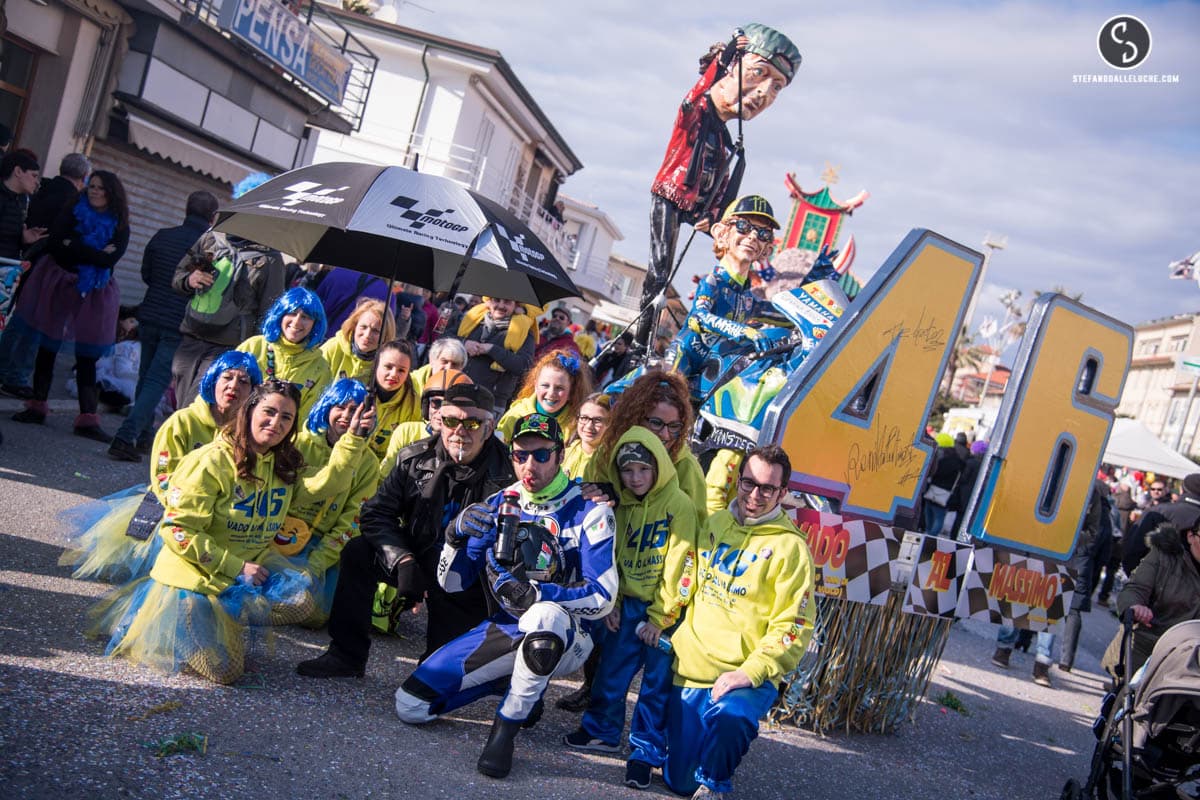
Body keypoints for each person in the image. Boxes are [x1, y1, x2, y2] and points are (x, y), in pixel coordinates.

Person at [87, 379, 372, 684]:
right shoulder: (210, 461)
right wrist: (235, 567)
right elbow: (177, 530)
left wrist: (353, 439)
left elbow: (327, 484)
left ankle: (223, 622)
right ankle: (181, 627)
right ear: (249, 410)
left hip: (237, 577)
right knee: (226, 673)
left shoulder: (280, 464)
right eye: (269, 412)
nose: (276, 423)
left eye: (286, 417)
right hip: (196, 581)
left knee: (301, 602)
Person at [392, 413, 618, 780]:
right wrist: (454, 536)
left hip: (571, 636)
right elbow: (452, 584)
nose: (530, 465)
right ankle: (506, 681)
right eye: (520, 455)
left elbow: (603, 596)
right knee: (411, 705)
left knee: (544, 617)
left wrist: (538, 592)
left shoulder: (590, 509)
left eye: (542, 455)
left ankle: (505, 727)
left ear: (560, 455)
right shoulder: (500, 502)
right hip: (508, 628)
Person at [297, 383, 514, 675]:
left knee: (432, 682)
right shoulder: (415, 458)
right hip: (419, 553)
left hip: (468, 575)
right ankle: (346, 655)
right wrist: (401, 559)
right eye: (450, 421)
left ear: (489, 428)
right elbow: (375, 513)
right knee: (358, 552)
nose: (459, 431)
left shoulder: (509, 472)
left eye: (472, 423)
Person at [647, 445, 815, 798]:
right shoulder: (717, 522)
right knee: (679, 781)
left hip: (743, 675)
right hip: (692, 667)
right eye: (748, 483)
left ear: (783, 493)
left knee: (731, 719)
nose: (755, 495)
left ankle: (715, 783)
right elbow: (687, 579)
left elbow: (794, 627)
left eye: (767, 488)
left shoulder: (792, 550)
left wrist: (749, 673)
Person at [637, 24, 800, 347]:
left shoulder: (729, 143)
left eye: (777, 87)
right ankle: (640, 342)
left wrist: (714, 218)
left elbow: (721, 186)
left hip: (700, 208)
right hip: (672, 195)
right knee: (660, 272)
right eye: (757, 73)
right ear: (727, 69)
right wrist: (726, 55)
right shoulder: (694, 113)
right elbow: (698, 92)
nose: (764, 93)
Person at [563, 427, 698, 791]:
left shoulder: (679, 505)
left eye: (643, 469)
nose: (635, 478)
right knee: (611, 672)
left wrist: (662, 617)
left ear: (659, 467)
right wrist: (613, 602)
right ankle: (601, 730)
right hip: (627, 604)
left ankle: (644, 752)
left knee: (655, 686)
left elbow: (683, 564)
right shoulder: (620, 505)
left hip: (663, 613)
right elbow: (614, 556)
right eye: (627, 470)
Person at [60, 351, 262, 584]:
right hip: (173, 508)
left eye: (244, 381)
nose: (233, 386)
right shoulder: (182, 422)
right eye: (227, 377)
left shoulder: (249, 431)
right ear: (213, 380)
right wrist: (187, 511)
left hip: (221, 515)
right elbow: (162, 475)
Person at [9, 170, 130, 442]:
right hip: (59, 283)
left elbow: (107, 261)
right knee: (48, 346)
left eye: (100, 188)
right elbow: (55, 245)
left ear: (112, 192)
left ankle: (87, 419)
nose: (94, 191)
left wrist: (75, 246)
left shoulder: (120, 224)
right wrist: (93, 252)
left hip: (94, 292)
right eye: (91, 186)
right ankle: (37, 405)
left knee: (87, 356)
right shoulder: (72, 210)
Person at [108, 191, 220, 461]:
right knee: (157, 380)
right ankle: (125, 436)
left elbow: (147, 274)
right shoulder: (211, 247)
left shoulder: (163, 235)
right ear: (212, 216)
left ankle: (145, 435)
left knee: (146, 377)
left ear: (186, 208)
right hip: (179, 322)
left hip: (150, 314)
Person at [170, 175, 286, 406]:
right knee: (180, 399)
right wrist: (190, 279)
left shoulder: (270, 258)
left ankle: (179, 441)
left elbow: (270, 313)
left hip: (228, 344)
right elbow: (178, 278)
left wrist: (255, 353)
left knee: (197, 402)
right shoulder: (211, 238)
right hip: (192, 334)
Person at [668, 195, 786, 397]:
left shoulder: (750, 300)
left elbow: (788, 314)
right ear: (721, 234)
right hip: (686, 357)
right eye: (743, 226)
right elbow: (699, 317)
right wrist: (745, 331)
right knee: (664, 397)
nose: (753, 236)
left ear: (766, 250)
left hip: (717, 368)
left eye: (763, 233)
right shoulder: (712, 283)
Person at [288, 378, 383, 626]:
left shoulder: (369, 463)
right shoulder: (299, 443)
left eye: (355, 410)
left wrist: (317, 563)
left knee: (315, 616)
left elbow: (353, 520)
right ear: (326, 407)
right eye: (340, 406)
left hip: (324, 542)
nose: (346, 415)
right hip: (282, 534)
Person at [0, 152, 91, 399]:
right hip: (48, 270)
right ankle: (15, 375)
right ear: (83, 178)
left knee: (18, 318)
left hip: (23, 265)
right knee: (35, 324)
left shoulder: (38, 192)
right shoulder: (73, 203)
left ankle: (5, 368)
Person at [586, 370, 708, 518]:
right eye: (656, 423)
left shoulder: (686, 466)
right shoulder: (606, 454)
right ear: (634, 418)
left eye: (674, 426)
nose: (665, 434)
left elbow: (697, 528)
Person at [1102, 521, 1200, 682]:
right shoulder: (1164, 556)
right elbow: (1135, 588)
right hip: (1147, 646)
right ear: (1191, 536)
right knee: (1129, 700)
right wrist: (1135, 606)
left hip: (1189, 659)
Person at [236, 287, 332, 422]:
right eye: (292, 313)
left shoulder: (320, 368)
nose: (297, 322)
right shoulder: (253, 347)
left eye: (305, 317)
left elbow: (306, 421)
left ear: (315, 324)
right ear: (280, 315)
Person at [1059, 481, 1112, 674]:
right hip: (1083, 562)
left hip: (1066, 554)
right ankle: (1066, 660)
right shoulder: (1106, 516)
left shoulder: (1076, 496)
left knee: (1044, 600)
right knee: (1073, 610)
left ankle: (1021, 643)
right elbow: (1104, 554)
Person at [457, 296, 537, 413]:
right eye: (496, 300)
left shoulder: (524, 332)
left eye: (507, 301)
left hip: (491, 402)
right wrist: (464, 343)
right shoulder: (472, 321)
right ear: (489, 302)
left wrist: (493, 350)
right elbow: (444, 339)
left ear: (516, 306)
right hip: (458, 391)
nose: (500, 305)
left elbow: (524, 366)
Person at [497, 349, 592, 444]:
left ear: (571, 392)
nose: (551, 393)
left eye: (559, 388)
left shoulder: (577, 425)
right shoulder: (515, 416)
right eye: (545, 385)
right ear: (535, 386)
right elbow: (497, 451)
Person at [1122, 473, 1200, 576]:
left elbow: (1132, 550)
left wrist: (1140, 582)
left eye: (1159, 489)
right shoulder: (1158, 511)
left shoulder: (1159, 511)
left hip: (1151, 583)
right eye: (1153, 489)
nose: (1156, 492)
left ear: (1181, 490)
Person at [363, 338, 421, 463]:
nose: (394, 374)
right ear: (377, 364)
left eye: (401, 370)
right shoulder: (358, 390)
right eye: (388, 367)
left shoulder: (413, 403)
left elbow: (407, 449)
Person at [319, 297, 396, 384]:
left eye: (375, 331)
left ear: (386, 336)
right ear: (354, 326)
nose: (367, 335)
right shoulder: (333, 347)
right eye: (363, 327)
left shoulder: (386, 364)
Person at [0, 149, 41, 260]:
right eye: (34, 175)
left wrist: (23, 239)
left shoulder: (22, 199)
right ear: (18, 171)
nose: (37, 182)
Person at [921, 433, 964, 537]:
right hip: (946, 493)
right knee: (939, 516)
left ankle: (929, 534)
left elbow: (935, 473)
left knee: (930, 514)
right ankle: (930, 536)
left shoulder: (942, 460)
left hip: (933, 489)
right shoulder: (959, 461)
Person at [562, 392, 610, 480]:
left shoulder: (611, 460)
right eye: (584, 418)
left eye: (598, 420)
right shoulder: (565, 453)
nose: (589, 426)